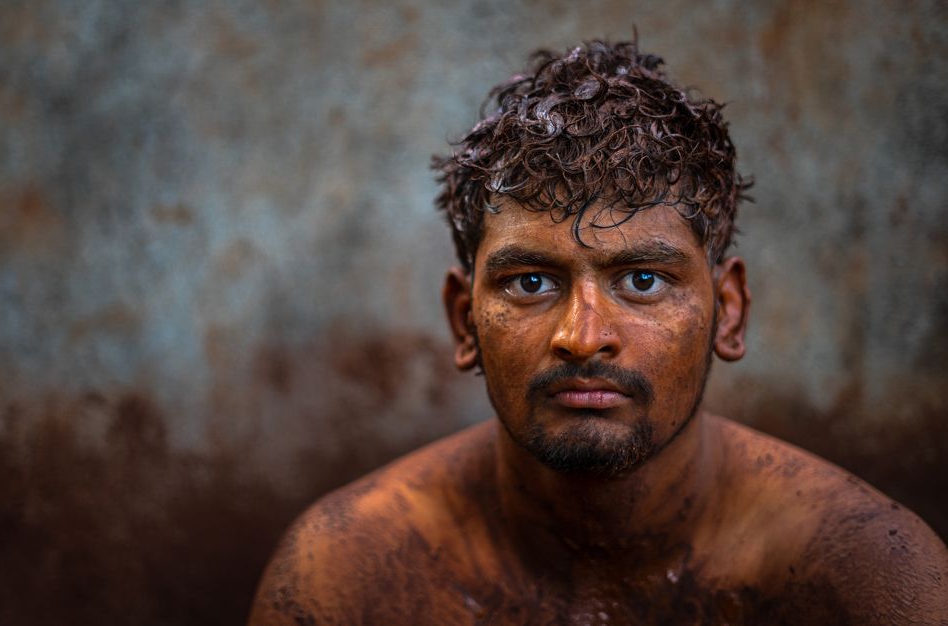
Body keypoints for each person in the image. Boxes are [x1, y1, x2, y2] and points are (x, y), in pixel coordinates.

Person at [248, 40, 948, 625]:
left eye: (642, 280)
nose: (583, 338)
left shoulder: (866, 578)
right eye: (531, 282)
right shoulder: (345, 579)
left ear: (728, 311)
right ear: (464, 320)